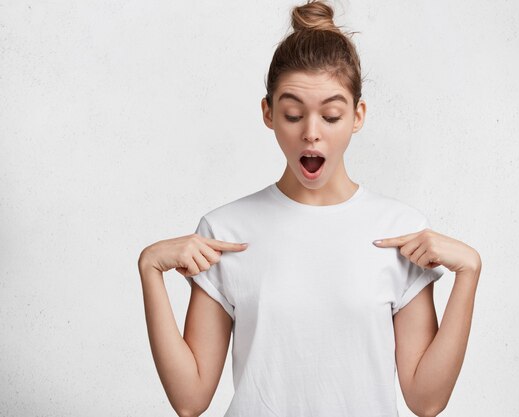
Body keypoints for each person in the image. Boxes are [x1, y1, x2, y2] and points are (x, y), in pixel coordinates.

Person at [138, 1, 482, 416]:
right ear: (269, 114)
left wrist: (469, 272)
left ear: (358, 116)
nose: (311, 134)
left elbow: (426, 402)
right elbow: (190, 400)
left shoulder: (401, 230)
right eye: (293, 114)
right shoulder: (224, 229)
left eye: (331, 115)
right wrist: (150, 268)